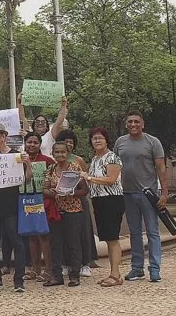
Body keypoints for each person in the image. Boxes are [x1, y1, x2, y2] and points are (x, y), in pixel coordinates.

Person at [113, 111, 167, 283]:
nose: (133, 124)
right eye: (130, 121)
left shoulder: (153, 142)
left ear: (142, 124)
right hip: (127, 193)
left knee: (152, 231)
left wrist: (164, 193)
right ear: (126, 124)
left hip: (148, 194)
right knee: (134, 232)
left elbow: (161, 168)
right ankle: (137, 268)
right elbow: (114, 166)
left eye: (137, 121)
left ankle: (155, 268)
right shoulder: (120, 142)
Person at [0, 123, 32, 293]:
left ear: (3, 136)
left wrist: (28, 164)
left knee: (17, 242)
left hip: (11, 206)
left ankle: (19, 280)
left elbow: (27, 180)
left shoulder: (16, 156)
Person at [81, 128, 124, 287]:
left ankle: (115, 274)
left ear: (106, 140)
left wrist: (90, 178)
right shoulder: (95, 158)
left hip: (111, 199)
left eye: (100, 138)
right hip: (99, 200)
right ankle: (113, 273)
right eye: (94, 138)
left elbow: (111, 179)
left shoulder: (112, 157)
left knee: (113, 238)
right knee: (107, 237)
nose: (97, 141)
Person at [43, 141, 88, 287]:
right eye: (57, 152)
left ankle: (74, 275)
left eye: (63, 152)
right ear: (53, 153)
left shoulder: (75, 168)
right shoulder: (50, 169)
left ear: (68, 153)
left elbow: (84, 189)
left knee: (73, 243)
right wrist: (51, 192)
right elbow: (44, 188)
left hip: (73, 210)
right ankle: (57, 275)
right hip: (56, 210)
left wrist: (71, 192)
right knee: (55, 243)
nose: (60, 155)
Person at [20, 133, 55, 282]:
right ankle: (35, 269)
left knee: (44, 236)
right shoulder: (18, 160)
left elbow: (55, 176)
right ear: (25, 143)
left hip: (43, 201)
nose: (32, 145)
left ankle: (49, 269)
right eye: (29, 142)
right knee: (31, 236)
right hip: (25, 200)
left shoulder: (47, 161)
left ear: (40, 145)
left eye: (35, 142)